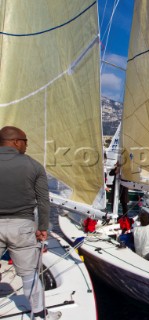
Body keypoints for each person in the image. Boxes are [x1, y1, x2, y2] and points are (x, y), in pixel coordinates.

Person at [0, 126, 62, 320]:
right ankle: (40, 314)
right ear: (16, 142)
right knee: (29, 275)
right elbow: (43, 201)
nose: (27, 145)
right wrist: (43, 227)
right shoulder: (34, 166)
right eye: (25, 141)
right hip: (22, 227)